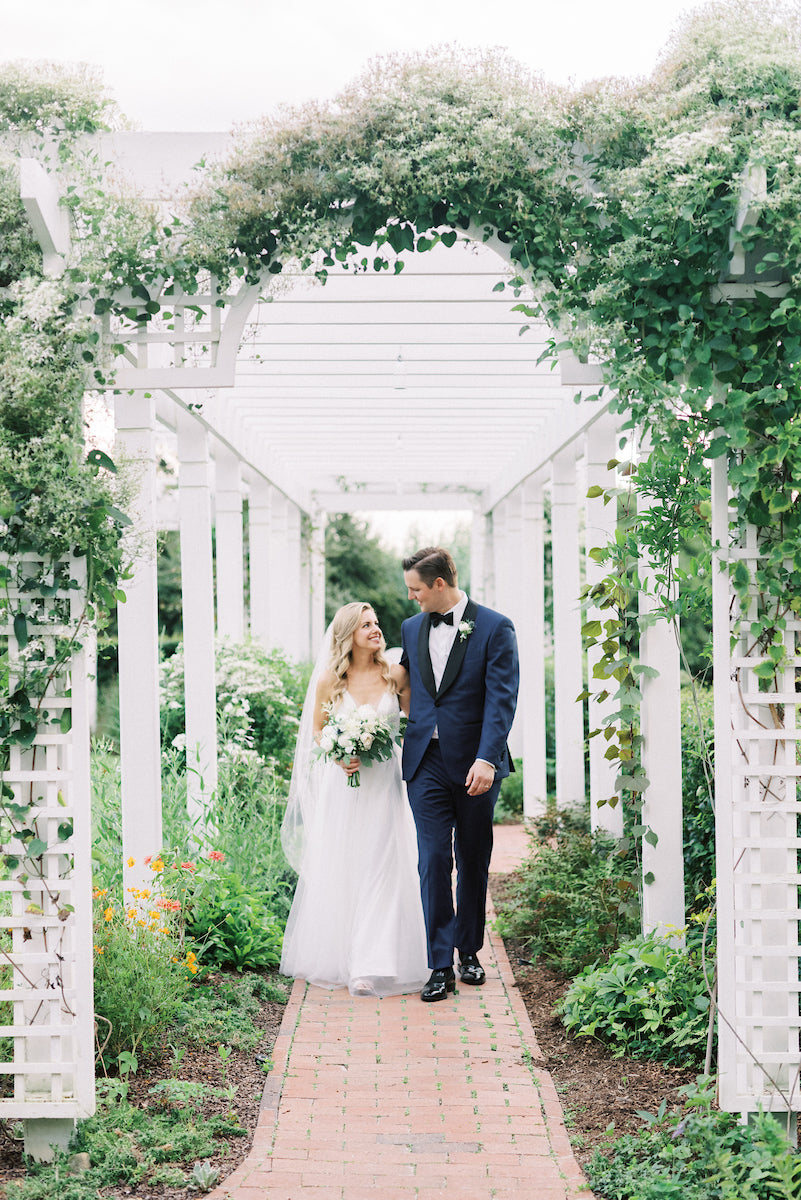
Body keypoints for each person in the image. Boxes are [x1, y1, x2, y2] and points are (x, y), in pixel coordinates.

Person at [280, 601, 429, 998]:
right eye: (366, 625)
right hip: (343, 787)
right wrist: (339, 751)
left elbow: (414, 725)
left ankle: (370, 964)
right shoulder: (331, 681)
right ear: (349, 634)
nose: (375, 630)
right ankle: (346, 955)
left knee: (384, 866)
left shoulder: (395, 675)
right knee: (349, 866)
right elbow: (317, 729)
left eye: (376, 623)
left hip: (385, 783)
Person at [400, 547, 519, 1002]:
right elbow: (402, 684)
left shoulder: (495, 627)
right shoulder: (412, 629)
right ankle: (438, 965)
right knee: (432, 860)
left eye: (415, 589)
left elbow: (501, 698)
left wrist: (487, 759)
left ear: (439, 585)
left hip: (475, 765)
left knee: (472, 858)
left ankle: (468, 950)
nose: (410, 598)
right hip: (424, 763)